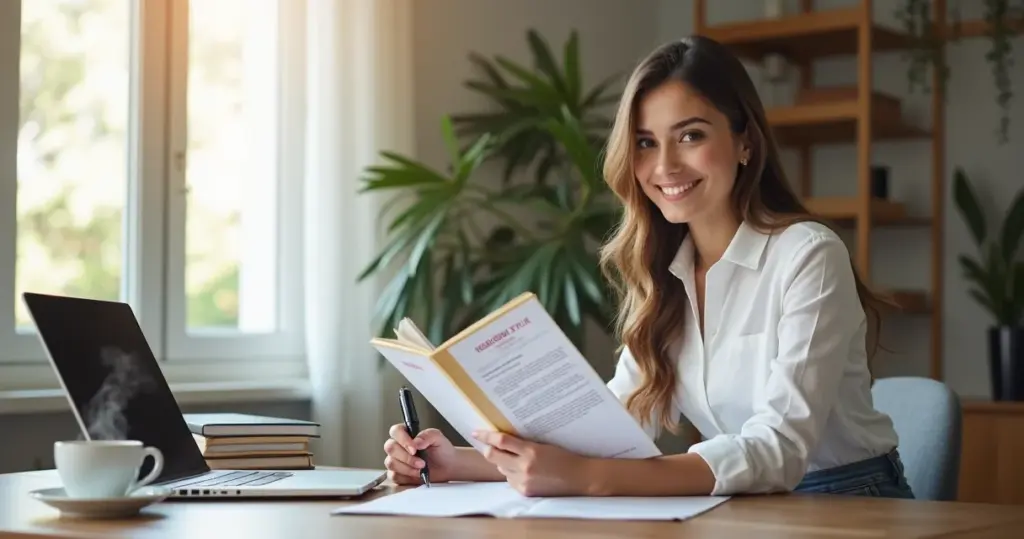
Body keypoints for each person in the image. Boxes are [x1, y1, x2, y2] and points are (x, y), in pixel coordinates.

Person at [382, 35, 915, 499]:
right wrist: (456, 463)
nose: (664, 166)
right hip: (750, 501)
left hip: (850, 499)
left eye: (691, 135)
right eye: (644, 143)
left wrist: (589, 479)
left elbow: (779, 449)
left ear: (745, 142)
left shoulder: (808, 256)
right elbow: (612, 429)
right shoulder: (663, 273)